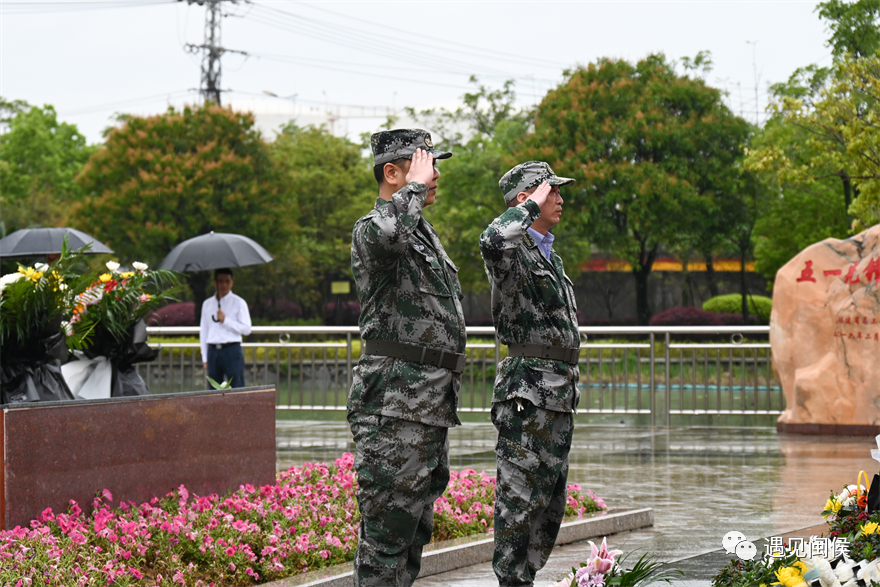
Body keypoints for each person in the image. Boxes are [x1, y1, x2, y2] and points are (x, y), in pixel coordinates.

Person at [348, 129, 467, 587]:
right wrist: (413, 190)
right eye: (424, 165)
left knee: (412, 534)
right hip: (394, 409)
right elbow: (387, 236)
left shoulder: (421, 233)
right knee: (386, 540)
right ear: (392, 173)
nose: (434, 175)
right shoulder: (373, 229)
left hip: (426, 406)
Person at [478, 161, 581, 587]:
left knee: (549, 505)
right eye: (550, 191)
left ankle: (525, 579)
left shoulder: (547, 253)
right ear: (526, 200)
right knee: (518, 504)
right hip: (528, 395)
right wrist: (525, 208)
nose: (560, 197)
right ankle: (511, 581)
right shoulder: (512, 254)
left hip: (557, 395)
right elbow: (490, 240)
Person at [199, 268, 252, 388]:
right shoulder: (207, 304)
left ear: (232, 283)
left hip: (232, 350)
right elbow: (204, 330)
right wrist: (205, 358)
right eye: (221, 281)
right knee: (213, 391)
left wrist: (226, 320)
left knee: (237, 388)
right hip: (213, 350)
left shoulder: (239, 302)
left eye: (227, 281)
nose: (224, 284)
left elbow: (246, 329)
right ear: (214, 283)